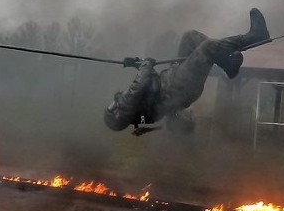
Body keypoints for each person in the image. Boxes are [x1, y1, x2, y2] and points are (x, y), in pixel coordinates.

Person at [104, 8, 270, 134]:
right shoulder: (127, 107)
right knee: (207, 48)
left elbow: (147, 89)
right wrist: (145, 64)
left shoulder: (137, 115)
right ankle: (255, 36)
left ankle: (228, 64)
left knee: (190, 37)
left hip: (175, 81)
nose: (114, 103)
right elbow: (141, 84)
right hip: (178, 85)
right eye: (112, 108)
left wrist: (136, 64)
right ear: (118, 115)